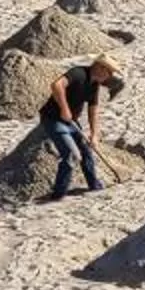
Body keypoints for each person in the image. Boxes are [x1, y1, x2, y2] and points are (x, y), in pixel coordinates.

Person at [39, 54, 121, 200]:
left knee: (86, 151)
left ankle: (94, 185)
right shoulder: (78, 73)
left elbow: (93, 109)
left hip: (72, 122)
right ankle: (58, 195)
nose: (110, 76)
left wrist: (94, 134)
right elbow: (56, 85)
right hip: (53, 120)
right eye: (109, 72)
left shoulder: (94, 84)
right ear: (100, 68)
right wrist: (64, 109)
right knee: (71, 155)